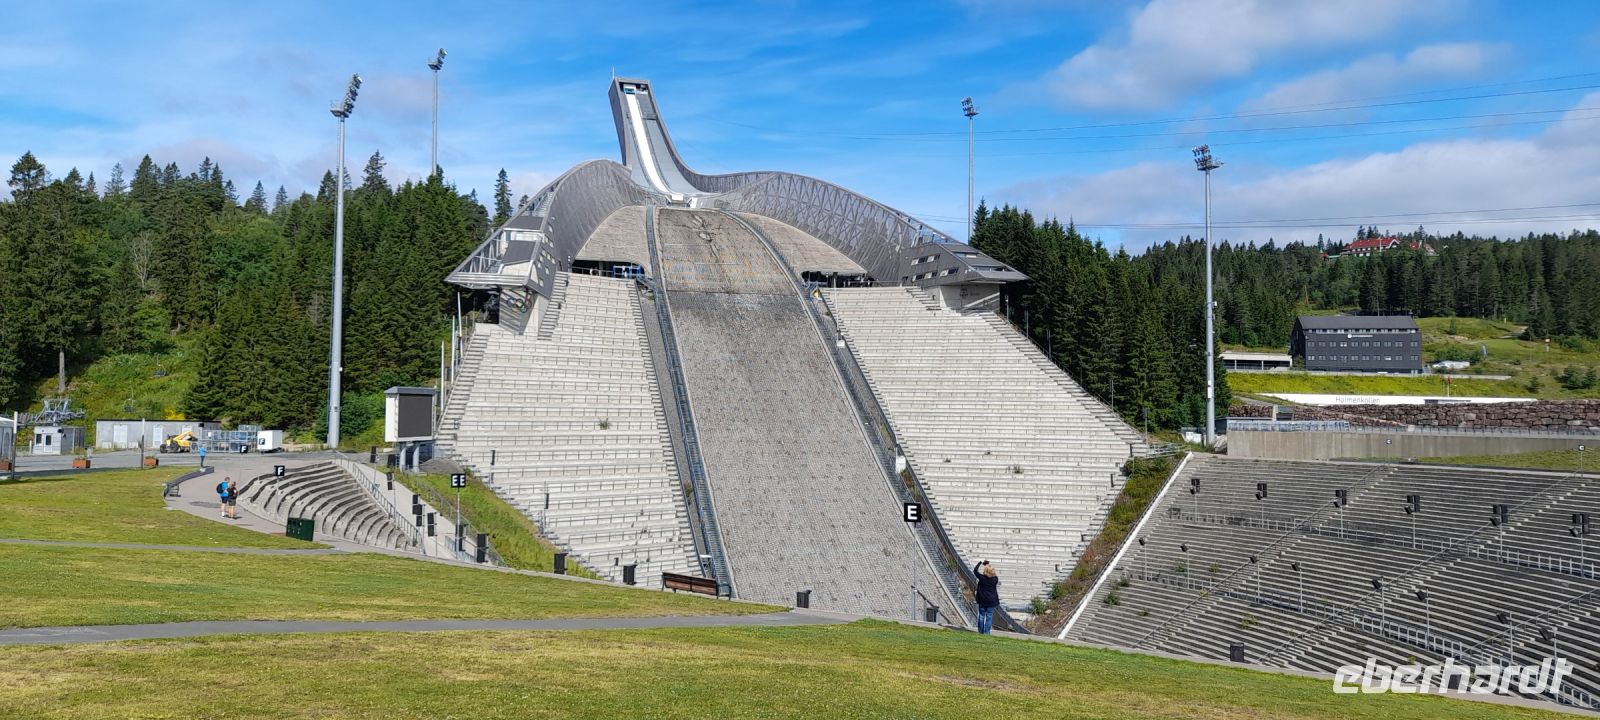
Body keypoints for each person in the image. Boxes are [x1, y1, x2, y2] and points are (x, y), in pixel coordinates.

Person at [974, 560, 1000, 635]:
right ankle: (987, 633)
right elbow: (993, 574)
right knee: (989, 617)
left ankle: (980, 632)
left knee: (981, 616)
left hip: (982, 600)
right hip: (991, 601)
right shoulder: (995, 579)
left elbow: (975, 571)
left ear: (985, 571)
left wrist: (981, 563)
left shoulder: (982, 578)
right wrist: (988, 566)